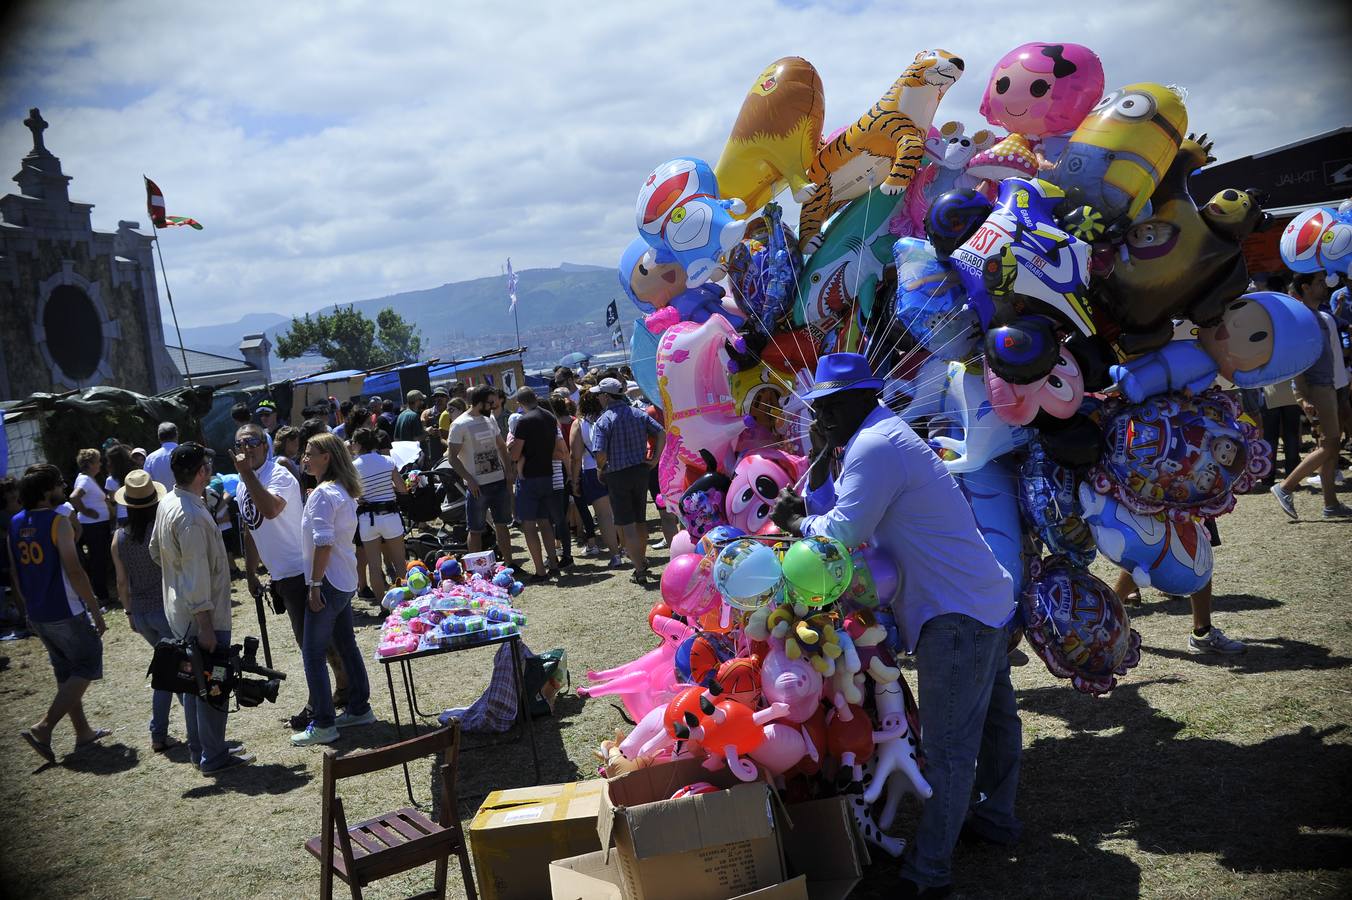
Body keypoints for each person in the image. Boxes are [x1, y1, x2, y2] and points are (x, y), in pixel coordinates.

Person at [771, 353, 1020, 896]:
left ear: (864, 397)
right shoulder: (881, 435)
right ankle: (996, 818)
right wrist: (821, 458)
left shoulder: (875, 444)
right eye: (819, 407)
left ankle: (929, 874)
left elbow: (840, 533)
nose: (824, 416)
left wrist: (794, 521)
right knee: (996, 720)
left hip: (956, 612)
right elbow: (846, 507)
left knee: (950, 748)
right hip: (981, 595)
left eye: (833, 406)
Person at [233, 424, 349, 729]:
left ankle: (320, 704)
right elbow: (251, 528)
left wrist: (245, 474)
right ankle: (342, 687)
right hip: (283, 573)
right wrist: (250, 572)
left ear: (265, 445)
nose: (246, 447)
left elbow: (270, 510)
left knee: (310, 645)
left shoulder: (278, 475)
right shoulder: (243, 484)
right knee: (317, 641)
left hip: (301, 569)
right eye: (240, 443)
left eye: (253, 442)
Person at [150, 442, 254, 772]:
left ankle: (202, 750)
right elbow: (195, 576)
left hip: (183, 611)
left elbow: (156, 551)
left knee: (194, 684)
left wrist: (175, 576)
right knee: (213, 682)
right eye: (207, 467)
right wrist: (206, 626)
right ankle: (214, 754)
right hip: (201, 615)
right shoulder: (189, 515)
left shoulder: (170, 501)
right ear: (201, 472)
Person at [10, 464, 110, 764]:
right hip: (65, 609)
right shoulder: (58, 522)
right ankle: (44, 727)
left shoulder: (15, 523)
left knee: (66, 672)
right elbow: (75, 570)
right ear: (45, 491)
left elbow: (15, 572)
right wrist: (96, 610)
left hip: (38, 611)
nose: (63, 487)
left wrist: (25, 609)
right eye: (58, 484)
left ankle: (82, 731)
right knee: (88, 663)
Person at [292, 433, 375, 746]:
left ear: (326, 457)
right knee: (346, 643)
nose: (305, 458)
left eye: (310, 453)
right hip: (344, 578)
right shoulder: (340, 490)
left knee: (313, 654)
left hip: (328, 581)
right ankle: (358, 707)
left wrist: (314, 585)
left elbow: (323, 543)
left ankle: (325, 723)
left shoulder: (324, 494)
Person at [111, 469, 184, 751]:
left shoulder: (119, 537)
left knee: (172, 668)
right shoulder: (161, 529)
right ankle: (159, 733)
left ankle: (172, 729)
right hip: (165, 610)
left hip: (141, 614)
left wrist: (129, 612)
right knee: (170, 673)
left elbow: (121, 581)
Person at [1271, 273, 1352, 519]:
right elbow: (1298, 361)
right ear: (1305, 288)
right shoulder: (1302, 318)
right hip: (1317, 387)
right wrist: (1303, 396)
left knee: (1331, 444)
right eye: (1317, 283)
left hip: (1327, 385)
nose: (1324, 285)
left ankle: (1330, 504)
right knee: (1330, 444)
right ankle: (1285, 487)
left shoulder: (1318, 315)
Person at [590, 378, 664, 584]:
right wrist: (655, 458)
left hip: (617, 474)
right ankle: (642, 559)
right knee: (640, 520)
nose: (598, 398)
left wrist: (600, 468)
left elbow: (600, 453)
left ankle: (639, 567)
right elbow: (661, 432)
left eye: (599, 395)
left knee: (626, 523)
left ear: (606, 396)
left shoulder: (604, 421)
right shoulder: (638, 413)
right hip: (640, 470)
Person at [448, 385, 514, 564]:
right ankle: (476, 571)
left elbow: (501, 446)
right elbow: (452, 458)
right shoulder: (459, 424)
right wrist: (469, 480)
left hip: (498, 482)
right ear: (479, 402)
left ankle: (509, 564)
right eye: (490, 402)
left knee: (502, 525)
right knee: (475, 530)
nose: (494, 406)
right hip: (477, 486)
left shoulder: (489, 419)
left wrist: (508, 473)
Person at [508, 387, 564, 580]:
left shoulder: (524, 421)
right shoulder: (549, 416)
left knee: (530, 526)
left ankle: (540, 570)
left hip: (528, 478)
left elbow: (515, 454)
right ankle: (554, 564)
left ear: (519, 403)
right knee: (546, 523)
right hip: (547, 474)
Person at [351, 427, 409, 596]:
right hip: (390, 515)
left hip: (367, 519)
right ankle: (407, 602)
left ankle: (384, 608)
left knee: (374, 567)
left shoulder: (353, 467)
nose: (352, 445)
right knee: (400, 563)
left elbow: (352, 494)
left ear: (359, 444)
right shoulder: (387, 461)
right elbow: (402, 489)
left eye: (353, 442)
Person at [572, 389, 623, 567]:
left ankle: (615, 555)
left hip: (592, 471)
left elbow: (576, 456)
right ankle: (626, 547)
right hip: (614, 467)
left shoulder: (579, 424)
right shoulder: (609, 417)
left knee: (604, 515)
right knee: (618, 511)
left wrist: (574, 479)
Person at [69, 448, 113, 610]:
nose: (100, 464)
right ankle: (101, 596)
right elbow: (74, 497)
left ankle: (100, 593)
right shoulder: (85, 481)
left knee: (98, 560)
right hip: (93, 526)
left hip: (96, 525)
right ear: (90, 464)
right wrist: (86, 511)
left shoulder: (87, 479)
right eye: (98, 461)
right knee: (98, 561)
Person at [105, 443, 136, 526]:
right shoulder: (134, 474)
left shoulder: (110, 480)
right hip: (137, 512)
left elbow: (113, 500)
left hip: (122, 515)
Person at [144, 422, 179, 491]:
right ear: (176, 435)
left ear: (159, 438)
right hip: (187, 499)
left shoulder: (150, 459)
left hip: (162, 500)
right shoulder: (187, 452)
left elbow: (147, 483)